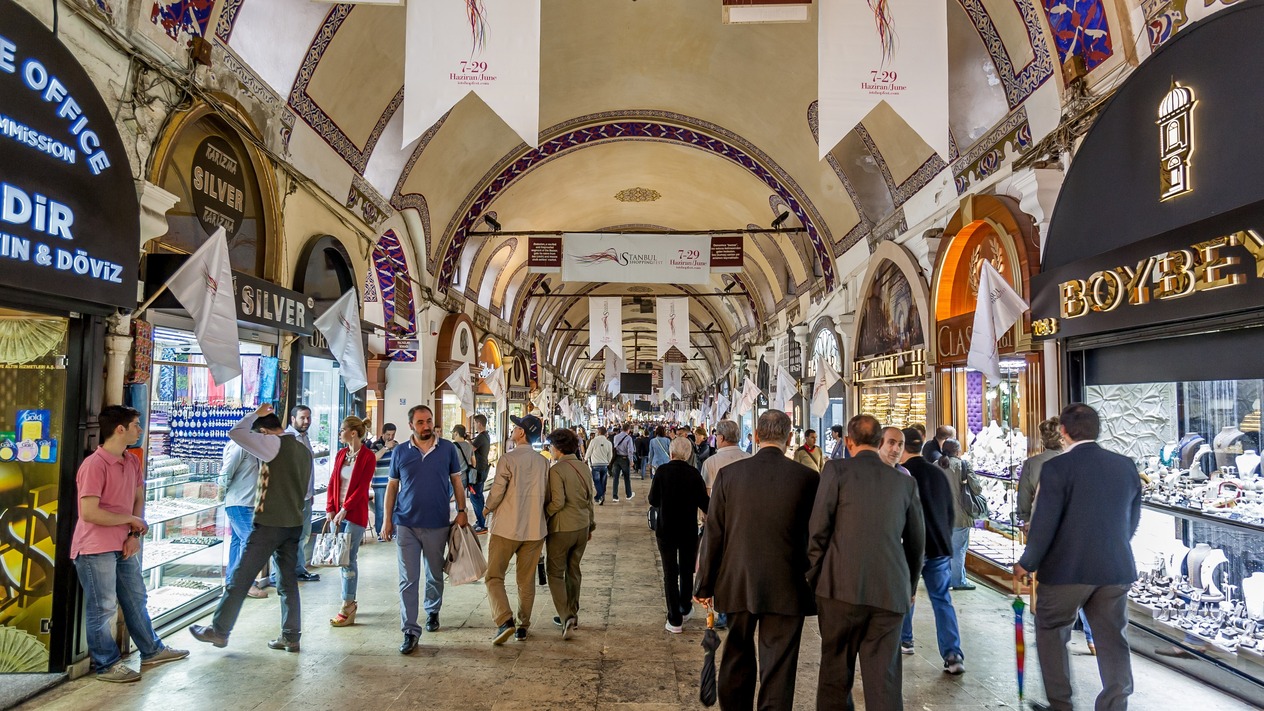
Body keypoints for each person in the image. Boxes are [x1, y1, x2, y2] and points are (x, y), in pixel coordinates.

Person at [1015, 404, 1142, 711]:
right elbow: (1133, 518)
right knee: (1113, 639)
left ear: (1064, 432)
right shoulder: (1125, 465)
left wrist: (1027, 562)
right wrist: (1113, 545)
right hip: (1114, 569)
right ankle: (1115, 704)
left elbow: (1044, 523)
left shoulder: (1057, 468)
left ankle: (1061, 704)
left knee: (1052, 631)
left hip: (1065, 571)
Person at [695, 409, 819, 710]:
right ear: (789, 438)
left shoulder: (729, 476)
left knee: (737, 652)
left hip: (738, 580)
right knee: (779, 663)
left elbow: (714, 533)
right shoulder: (808, 478)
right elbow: (818, 536)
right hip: (789, 583)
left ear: (756, 436)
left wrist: (704, 584)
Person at [807, 414, 925, 710]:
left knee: (835, 674)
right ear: (880, 441)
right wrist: (909, 587)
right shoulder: (905, 483)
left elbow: (818, 530)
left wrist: (817, 577)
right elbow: (916, 544)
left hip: (839, 588)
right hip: (889, 591)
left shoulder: (837, 471)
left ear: (849, 442)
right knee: (884, 679)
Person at [73, 405, 189, 682]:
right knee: (103, 607)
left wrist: (134, 534)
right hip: (95, 547)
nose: (140, 429)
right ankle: (106, 665)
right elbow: (89, 513)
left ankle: (151, 650)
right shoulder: (94, 465)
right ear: (120, 429)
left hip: (124, 542)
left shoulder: (132, 461)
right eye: (136, 424)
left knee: (136, 598)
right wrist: (130, 520)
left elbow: (138, 497)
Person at [191, 403, 314, 653]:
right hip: (293, 522)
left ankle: (220, 630)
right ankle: (291, 635)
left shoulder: (273, 443)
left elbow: (236, 433)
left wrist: (255, 414)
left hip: (270, 524)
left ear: (264, 433)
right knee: (287, 582)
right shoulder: (303, 450)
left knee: (241, 577)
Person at [381, 405, 469, 654]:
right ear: (411, 425)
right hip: (406, 523)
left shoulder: (447, 449)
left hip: (437, 523)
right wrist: (387, 520)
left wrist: (462, 510)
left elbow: (457, 481)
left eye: (429, 421)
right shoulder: (400, 452)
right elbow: (392, 487)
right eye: (420, 422)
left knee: (434, 573)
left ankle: (432, 610)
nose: (426, 426)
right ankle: (410, 630)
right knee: (408, 579)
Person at [897, 428, 966, 674]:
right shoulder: (938, 473)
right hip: (938, 546)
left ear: (902, 447)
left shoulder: (899, 475)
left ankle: (905, 640)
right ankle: (953, 654)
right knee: (942, 599)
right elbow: (949, 511)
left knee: (905, 593)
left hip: (909, 546)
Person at [484, 414, 551, 644]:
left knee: (494, 576)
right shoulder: (543, 462)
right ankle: (522, 626)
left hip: (506, 528)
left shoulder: (508, 459)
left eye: (516, 427)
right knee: (526, 580)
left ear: (521, 433)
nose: (513, 429)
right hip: (534, 530)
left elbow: (497, 491)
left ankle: (504, 620)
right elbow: (547, 495)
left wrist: (486, 509)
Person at [649, 436, 710, 633]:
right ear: (689, 454)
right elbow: (705, 504)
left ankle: (674, 619)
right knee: (686, 570)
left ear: (671, 452)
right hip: (688, 530)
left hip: (666, 529)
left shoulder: (662, 471)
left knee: (669, 573)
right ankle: (685, 607)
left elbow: (653, 499)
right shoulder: (694, 474)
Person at [544, 428, 596, 639]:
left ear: (558, 448)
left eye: (551, 446)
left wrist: (543, 516)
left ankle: (565, 616)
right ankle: (573, 613)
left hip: (562, 528)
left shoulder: (556, 470)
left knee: (555, 573)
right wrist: (591, 525)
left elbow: (558, 502)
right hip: (582, 526)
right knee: (573, 569)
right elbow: (590, 498)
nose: (550, 450)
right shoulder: (583, 467)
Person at [327, 416, 376, 627]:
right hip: (336, 515)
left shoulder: (368, 457)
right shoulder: (341, 454)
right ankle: (348, 599)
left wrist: (345, 509)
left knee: (348, 559)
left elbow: (362, 487)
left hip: (354, 515)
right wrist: (330, 508)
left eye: (342, 430)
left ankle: (348, 603)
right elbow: (333, 481)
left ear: (353, 433)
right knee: (341, 558)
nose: (340, 433)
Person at [268, 405, 319, 586]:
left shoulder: (305, 438)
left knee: (303, 536)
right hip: (289, 499)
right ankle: (277, 576)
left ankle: (298, 570)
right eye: (302, 418)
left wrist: (310, 492)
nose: (306, 421)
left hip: (305, 497)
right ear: (292, 419)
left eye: (308, 418)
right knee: (283, 538)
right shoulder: (285, 439)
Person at [217, 438, 267, 598]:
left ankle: (233, 582)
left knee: (238, 541)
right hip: (239, 502)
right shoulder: (239, 445)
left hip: (249, 503)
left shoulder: (254, 445)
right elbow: (226, 472)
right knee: (252, 542)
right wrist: (220, 495)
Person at [939, 438, 981, 591]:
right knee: (958, 550)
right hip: (960, 516)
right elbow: (977, 489)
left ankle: (943, 579)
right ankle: (958, 581)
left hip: (939, 516)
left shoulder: (935, 465)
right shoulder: (963, 465)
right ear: (957, 451)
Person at [1018, 417, 1063, 524]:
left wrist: (1026, 520)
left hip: (1041, 520)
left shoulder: (1031, 463)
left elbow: (1024, 498)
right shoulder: (1074, 461)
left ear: (1043, 440)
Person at [700, 419, 750, 495]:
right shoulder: (749, 458)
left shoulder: (710, 462)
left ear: (721, 438)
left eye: (716, 435)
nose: (716, 438)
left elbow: (706, 494)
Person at [451, 424, 483, 531]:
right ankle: (463, 519)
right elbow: (474, 462)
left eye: (453, 432)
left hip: (454, 478)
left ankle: (457, 523)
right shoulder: (469, 446)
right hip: (465, 477)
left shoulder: (452, 447)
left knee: (448, 499)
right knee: (461, 500)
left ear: (456, 433)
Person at [371, 422, 398, 539]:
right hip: (379, 483)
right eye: (388, 434)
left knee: (394, 507)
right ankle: (380, 532)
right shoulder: (375, 445)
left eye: (393, 434)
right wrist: (386, 447)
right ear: (382, 434)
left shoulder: (396, 445)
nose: (390, 437)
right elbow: (373, 459)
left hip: (393, 482)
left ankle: (394, 531)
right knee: (381, 509)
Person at [471, 414, 492, 533]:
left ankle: (481, 524)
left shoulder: (481, 437)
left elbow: (471, 449)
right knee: (478, 495)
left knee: (475, 496)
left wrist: (464, 441)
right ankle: (481, 520)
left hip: (479, 470)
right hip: (483, 468)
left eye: (474, 423)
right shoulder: (486, 436)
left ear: (479, 423)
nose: (474, 425)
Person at [585, 425, 613, 505]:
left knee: (597, 481)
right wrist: (608, 462)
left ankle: (600, 495)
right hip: (604, 465)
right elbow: (610, 455)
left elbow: (589, 451)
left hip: (595, 464)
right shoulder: (608, 443)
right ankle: (600, 497)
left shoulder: (593, 441)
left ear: (598, 432)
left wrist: (585, 459)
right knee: (603, 482)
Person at [611, 423, 636, 496]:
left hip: (616, 458)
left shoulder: (616, 437)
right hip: (624, 458)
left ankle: (615, 496)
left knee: (615, 478)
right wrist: (631, 461)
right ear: (628, 430)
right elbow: (630, 450)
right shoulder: (629, 438)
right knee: (626, 478)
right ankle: (628, 494)